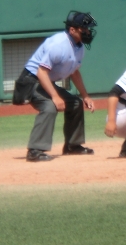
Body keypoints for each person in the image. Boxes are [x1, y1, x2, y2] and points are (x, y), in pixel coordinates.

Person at [14, 11, 97, 162]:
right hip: (31, 82)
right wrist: (55, 96)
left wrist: (85, 96)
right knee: (49, 106)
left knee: (75, 103)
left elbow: (74, 73)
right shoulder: (58, 45)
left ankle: (72, 146)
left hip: (44, 81)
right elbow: (41, 72)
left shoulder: (79, 46)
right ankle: (34, 151)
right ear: (72, 30)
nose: (87, 32)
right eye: (84, 29)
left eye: (88, 28)